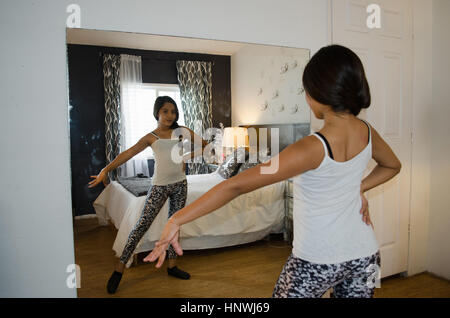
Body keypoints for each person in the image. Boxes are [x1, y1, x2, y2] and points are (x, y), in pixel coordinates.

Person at [143, 45, 402, 298]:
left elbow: (236, 185)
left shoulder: (310, 148)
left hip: (317, 260)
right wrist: (359, 187)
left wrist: (176, 220)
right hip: (366, 255)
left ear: (317, 93)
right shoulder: (367, 132)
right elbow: (392, 165)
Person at [88, 96, 209, 294]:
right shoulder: (151, 137)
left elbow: (204, 145)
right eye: (165, 111)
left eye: (173, 111)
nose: (170, 115)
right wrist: (105, 170)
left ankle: (172, 266)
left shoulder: (182, 132)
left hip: (180, 185)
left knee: (175, 224)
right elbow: (127, 154)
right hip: (159, 186)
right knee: (141, 225)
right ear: (157, 113)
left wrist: (187, 157)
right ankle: (119, 270)